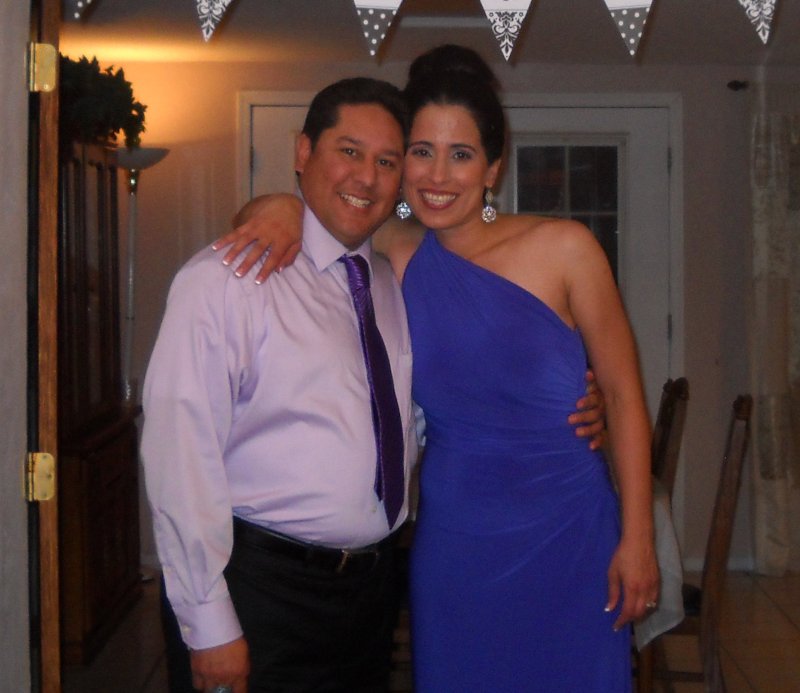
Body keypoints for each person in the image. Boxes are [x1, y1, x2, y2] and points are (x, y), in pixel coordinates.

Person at [215, 45, 659, 691]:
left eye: (461, 154)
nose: (438, 176)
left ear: (493, 167)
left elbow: (622, 395)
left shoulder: (566, 248)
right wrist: (281, 206)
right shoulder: (392, 253)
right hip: (458, 538)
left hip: (571, 528)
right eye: (421, 151)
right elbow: (296, 218)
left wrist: (638, 539)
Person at [142, 77, 417, 693]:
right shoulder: (227, 280)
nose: (367, 177)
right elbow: (179, 455)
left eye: (386, 162)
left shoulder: (384, 284)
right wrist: (209, 622)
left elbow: (398, 416)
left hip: (368, 597)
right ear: (303, 151)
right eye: (349, 151)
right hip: (260, 590)